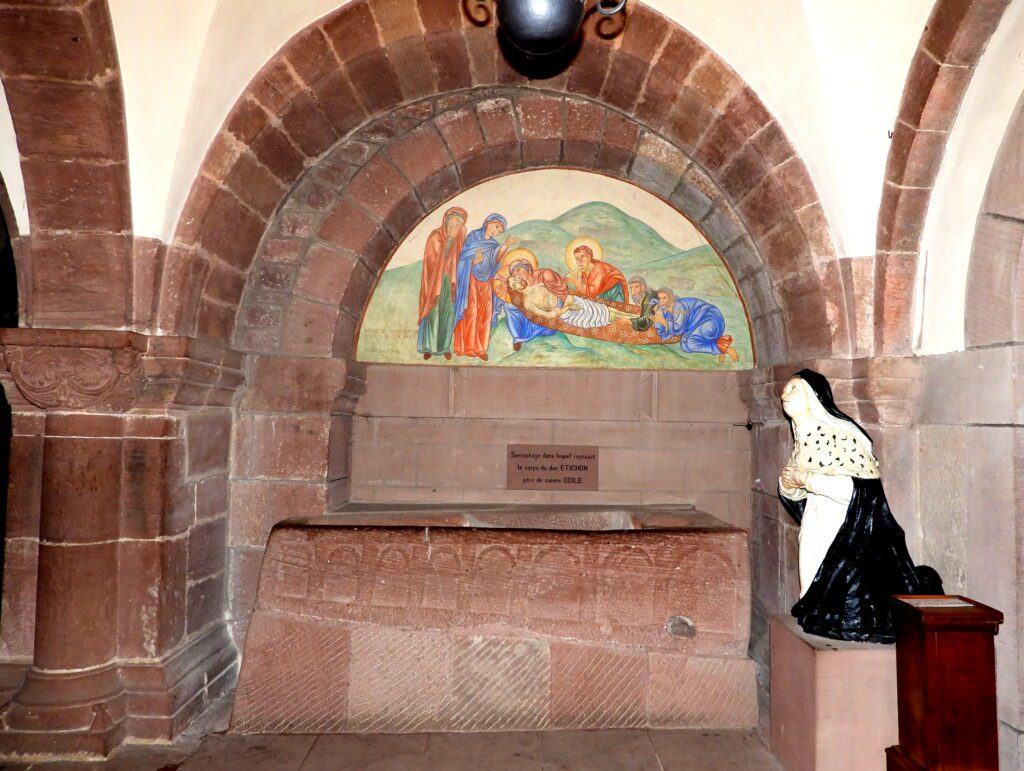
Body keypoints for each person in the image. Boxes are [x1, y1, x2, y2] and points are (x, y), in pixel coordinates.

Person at [778, 370, 943, 643]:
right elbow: (798, 494)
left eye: (794, 388)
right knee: (812, 589)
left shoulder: (842, 436)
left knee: (837, 590)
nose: (785, 394)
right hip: (815, 522)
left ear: (814, 397)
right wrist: (788, 484)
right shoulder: (803, 439)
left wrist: (806, 478)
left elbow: (857, 489)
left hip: (846, 529)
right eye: (785, 389)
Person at [453, 213, 517, 360]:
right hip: (471, 280)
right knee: (471, 312)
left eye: (500, 230)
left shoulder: (493, 244)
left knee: (486, 313)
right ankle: (468, 347)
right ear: (488, 222)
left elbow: (495, 261)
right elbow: (463, 257)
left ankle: (480, 348)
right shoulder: (473, 237)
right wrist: (475, 261)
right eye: (496, 227)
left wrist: (505, 245)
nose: (497, 231)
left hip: (486, 282)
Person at [416, 207, 467, 360]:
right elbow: (432, 261)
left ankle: (444, 346)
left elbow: (461, 259)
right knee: (433, 312)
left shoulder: (458, 240)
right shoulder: (436, 236)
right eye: (456, 220)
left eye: (460, 223)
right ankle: (428, 347)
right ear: (447, 220)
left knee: (448, 313)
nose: (457, 225)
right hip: (435, 282)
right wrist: (448, 240)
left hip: (450, 281)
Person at [510, 272, 637, 329]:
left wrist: (567, 297)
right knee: (607, 316)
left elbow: (558, 289)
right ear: (515, 289)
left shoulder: (538, 285)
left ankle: (636, 316)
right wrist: (567, 307)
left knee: (606, 309)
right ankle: (635, 321)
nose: (517, 281)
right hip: (568, 313)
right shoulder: (528, 303)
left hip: (571, 300)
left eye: (515, 278)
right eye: (514, 283)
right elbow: (549, 315)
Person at [652, 287, 740, 362]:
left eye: (664, 298)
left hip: (710, 321)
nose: (661, 301)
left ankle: (726, 349)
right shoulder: (667, 311)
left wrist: (662, 321)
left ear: (671, 298)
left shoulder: (678, 306)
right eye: (660, 298)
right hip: (697, 326)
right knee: (685, 346)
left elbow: (677, 328)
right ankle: (720, 345)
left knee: (691, 343)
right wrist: (656, 313)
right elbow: (667, 330)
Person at [564, 237, 629, 303]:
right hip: (600, 294)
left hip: (613, 293)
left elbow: (591, 293)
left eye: (582, 256)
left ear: (589, 256)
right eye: (577, 258)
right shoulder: (583, 271)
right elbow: (582, 292)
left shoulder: (598, 269)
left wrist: (575, 282)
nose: (579, 260)